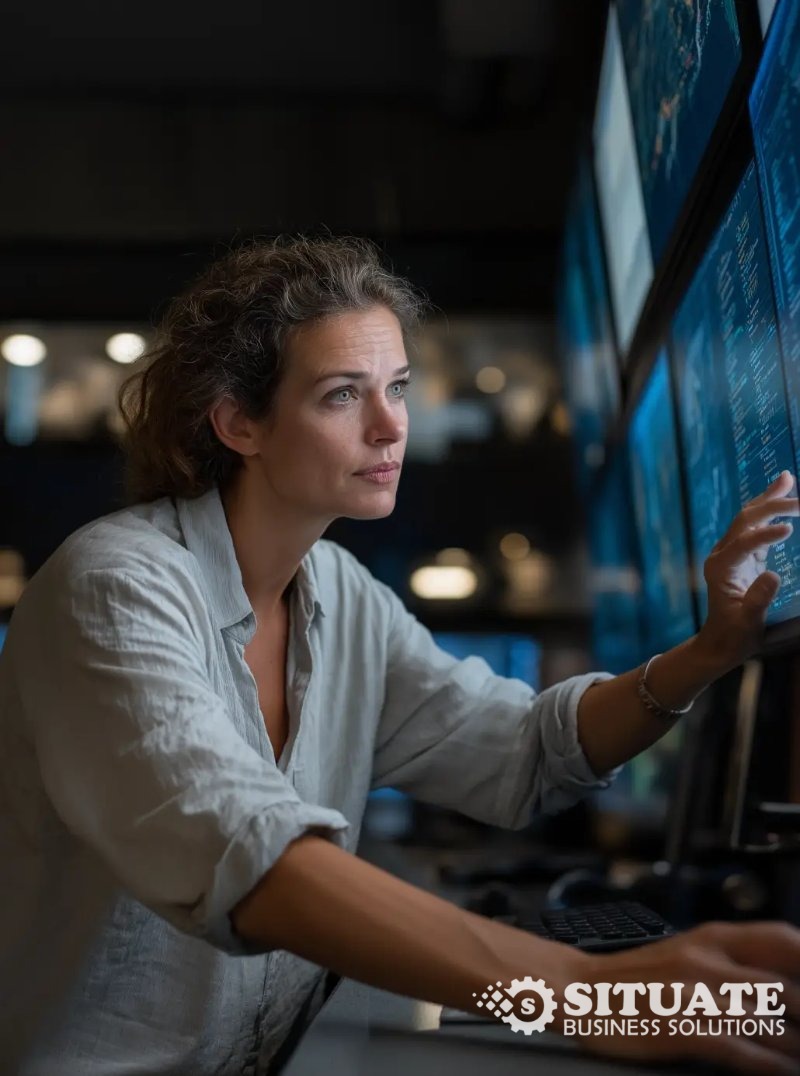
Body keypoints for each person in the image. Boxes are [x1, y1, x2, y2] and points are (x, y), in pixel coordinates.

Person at [1, 235, 799, 1076]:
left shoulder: (341, 593)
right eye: (343, 395)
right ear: (239, 422)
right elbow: (249, 859)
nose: (390, 428)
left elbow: (524, 751)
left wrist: (709, 652)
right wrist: (582, 995)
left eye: (399, 389)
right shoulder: (115, 586)